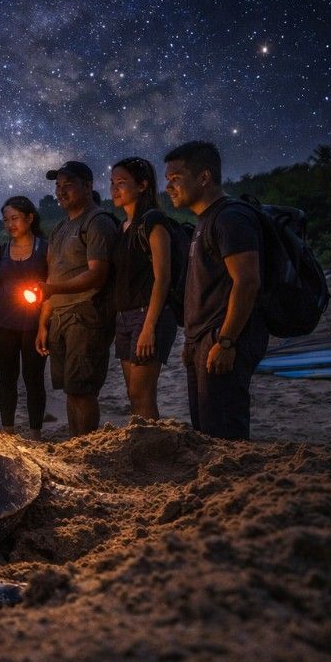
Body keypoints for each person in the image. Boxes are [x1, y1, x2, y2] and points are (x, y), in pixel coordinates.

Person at [164, 141, 266, 440]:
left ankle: (240, 487)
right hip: (205, 341)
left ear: (204, 177)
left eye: (176, 179)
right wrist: (191, 341)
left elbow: (247, 281)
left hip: (223, 339)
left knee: (224, 434)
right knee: (206, 432)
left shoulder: (230, 217)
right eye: (168, 180)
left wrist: (227, 341)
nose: (169, 187)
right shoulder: (204, 220)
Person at [35, 160, 120, 436]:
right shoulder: (60, 228)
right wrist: (43, 323)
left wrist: (54, 291)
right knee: (71, 389)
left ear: (87, 186)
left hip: (86, 315)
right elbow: (51, 277)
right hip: (59, 316)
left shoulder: (97, 222)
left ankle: (87, 446)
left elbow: (97, 274)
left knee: (83, 389)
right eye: (58, 187)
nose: (61, 192)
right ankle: (77, 445)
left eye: (68, 185)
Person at [0, 196, 48, 439]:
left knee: (33, 378)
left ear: (29, 218)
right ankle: (8, 433)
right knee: (6, 379)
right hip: (3, 323)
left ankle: (35, 433)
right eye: (6, 220)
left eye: (15, 218)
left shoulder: (45, 248)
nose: (10, 224)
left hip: (34, 324)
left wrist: (45, 322)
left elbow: (52, 286)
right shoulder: (0, 252)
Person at [110, 157, 177, 419]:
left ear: (142, 185)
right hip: (125, 316)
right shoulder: (122, 227)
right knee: (133, 394)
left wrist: (149, 327)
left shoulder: (153, 221)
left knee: (142, 394)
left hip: (148, 314)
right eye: (112, 183)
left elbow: (163, 277)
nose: (115, 189)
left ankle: (154, 452)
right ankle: (142, 447)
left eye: (122, 183)